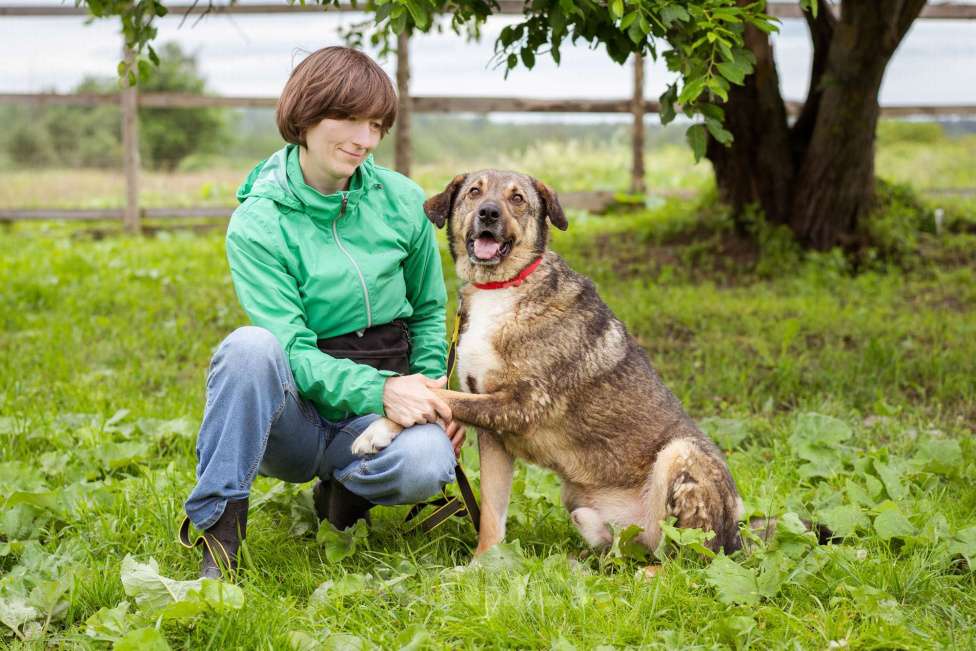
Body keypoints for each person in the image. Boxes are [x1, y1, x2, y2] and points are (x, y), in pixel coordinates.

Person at [182, 46, 465, 580]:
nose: (365, 139)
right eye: (350, 119)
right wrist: (379, 390)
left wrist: (432, 390)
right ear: (305, 115)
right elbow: (289, 347)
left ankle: (346, 489)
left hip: (380, 411)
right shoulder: (258, 223)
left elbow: (429, 310)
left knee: (429, 464)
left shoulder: (403, 201)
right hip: (294, 419)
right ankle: (218, 534)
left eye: (377, 124)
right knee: (249, 347)